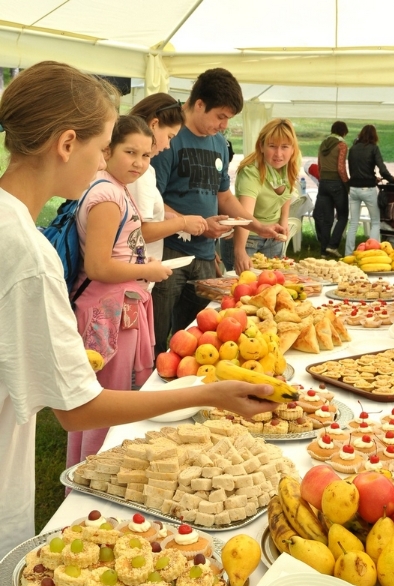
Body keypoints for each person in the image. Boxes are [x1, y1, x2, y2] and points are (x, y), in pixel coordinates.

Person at [0, 60, 278, 560]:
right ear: (67, 144)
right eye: (104, 145)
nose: (107, 159)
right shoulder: (25, 250)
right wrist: (209, 393)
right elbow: (78, 407)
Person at [150, 67, 284, 355]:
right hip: (167, 255)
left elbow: (224, 195)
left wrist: (257, 227)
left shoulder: (219, 143)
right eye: (220, 116)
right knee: (158, 340)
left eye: (228, 119)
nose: (224, 125)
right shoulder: (169, 138)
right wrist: (191, 224)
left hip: (205, 256)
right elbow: (151, 201)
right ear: (199, 104)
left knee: (198, 341)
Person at [66, 114, 173, 468]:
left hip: (119, 309)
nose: (139, 163)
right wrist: (149, 270)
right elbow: (97, 266)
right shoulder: (108, 195)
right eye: (130, 152)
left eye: (146, 155)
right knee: (103, 403)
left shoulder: (113, 186)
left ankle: (93, 470)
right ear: (108, 149)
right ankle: (91, 478)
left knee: (106, 398)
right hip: (107, 313)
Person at [128, 94, 208, 278]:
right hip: (136, 277)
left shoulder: (138, 170)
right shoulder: (140, 172)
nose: (168, 146)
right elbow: (140, 232)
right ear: (154, 124)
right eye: (170, 137)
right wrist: (182, 222)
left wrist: (166, 217)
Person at [220, 119, 300, 272]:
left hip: (273, 238)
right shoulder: (251, 172)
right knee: (245, 289)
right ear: (261, 146)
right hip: (246, 239)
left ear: (292, 149)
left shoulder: (289, 167)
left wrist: (283, 224)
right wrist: (240, 250)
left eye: (284, 147)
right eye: (272, 146)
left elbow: (285, 197)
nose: (279, 154)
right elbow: (244, 215)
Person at [345, 124, 394, 256]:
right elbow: (383, 169)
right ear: (374, 136)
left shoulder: (353, 149)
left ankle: (348, 254)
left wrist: (373, 177)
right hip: (368, 189)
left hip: (353, 189)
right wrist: (392, 180)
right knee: (375, 221)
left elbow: (354, 170)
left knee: (353, 223)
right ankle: (373, 254)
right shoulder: (373, 148)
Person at [312, 121, 350, 258]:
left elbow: (320, 165)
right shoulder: (342, 145)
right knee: (343, 215)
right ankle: (332, 246)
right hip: (337, 183)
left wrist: (323, 180)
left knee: (326, 219)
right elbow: (341, 168)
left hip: (323, 184)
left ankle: (323, 251)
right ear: (344, 132)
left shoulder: (323, 144)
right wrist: (346, 184)